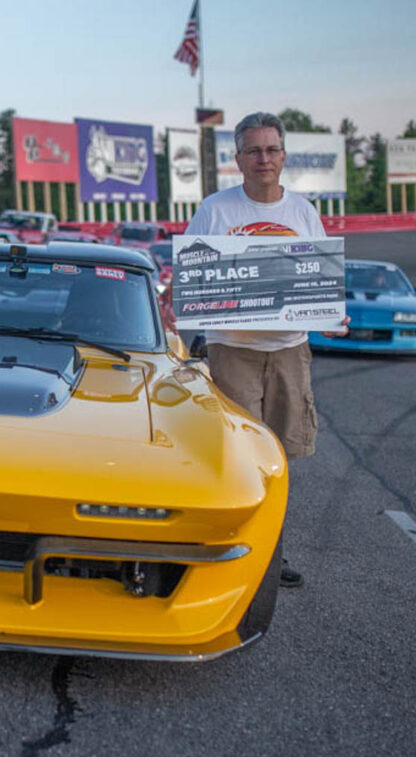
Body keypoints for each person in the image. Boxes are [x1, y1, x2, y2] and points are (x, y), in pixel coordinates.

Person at [181, 111, 349, 588]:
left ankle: (272, 555)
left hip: (290, 351)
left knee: (279, 456)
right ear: (238, 159)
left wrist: (331, 320)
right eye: (253, 150)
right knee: (237, 456)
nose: (263, 158)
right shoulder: (216, 210)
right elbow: (195, 279)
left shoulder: (302, 212)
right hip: (232, 350)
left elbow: (319, 284)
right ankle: (234, 553)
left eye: (271, 149)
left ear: (283, 156)